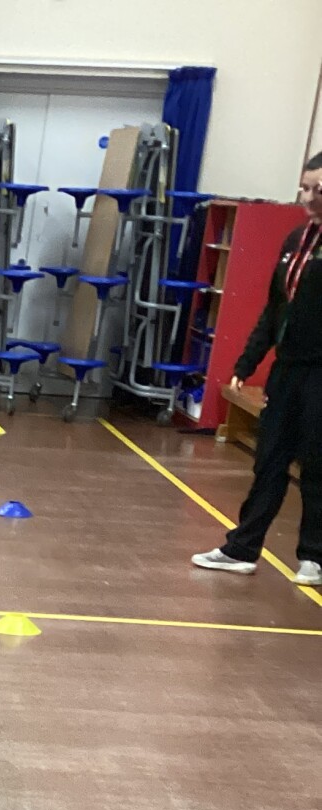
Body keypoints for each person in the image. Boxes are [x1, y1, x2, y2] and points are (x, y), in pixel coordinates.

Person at [192, 152, 322, 588]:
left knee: (316, 464)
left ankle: (314, 556)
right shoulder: (296, 241)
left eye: (319, 190)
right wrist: (248, 361)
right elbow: (275, 308)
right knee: (269, 460)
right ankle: (242, 549)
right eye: (305, 188)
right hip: (287, 371)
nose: (309, 198)